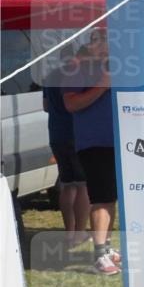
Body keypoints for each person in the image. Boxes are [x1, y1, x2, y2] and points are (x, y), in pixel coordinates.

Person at [62, 31, 121, 275]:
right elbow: (71, 104)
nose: (104, 45)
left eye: (107, 39)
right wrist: (102, 86)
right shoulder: (76, 68)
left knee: (111, 197)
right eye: (98, 40)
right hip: (94, 143)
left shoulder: (115, 66)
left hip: (117, 142)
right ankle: (98, 254)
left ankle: (106, 248)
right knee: (101, 198)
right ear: (87, 44)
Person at [42, 48, 91, 246]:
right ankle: (79, 234)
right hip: (77, 134)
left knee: (67, 184)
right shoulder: (79, 75)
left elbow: (46, 106)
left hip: (56, 134)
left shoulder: (51, 75)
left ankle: (69, 233)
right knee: (83, 185)